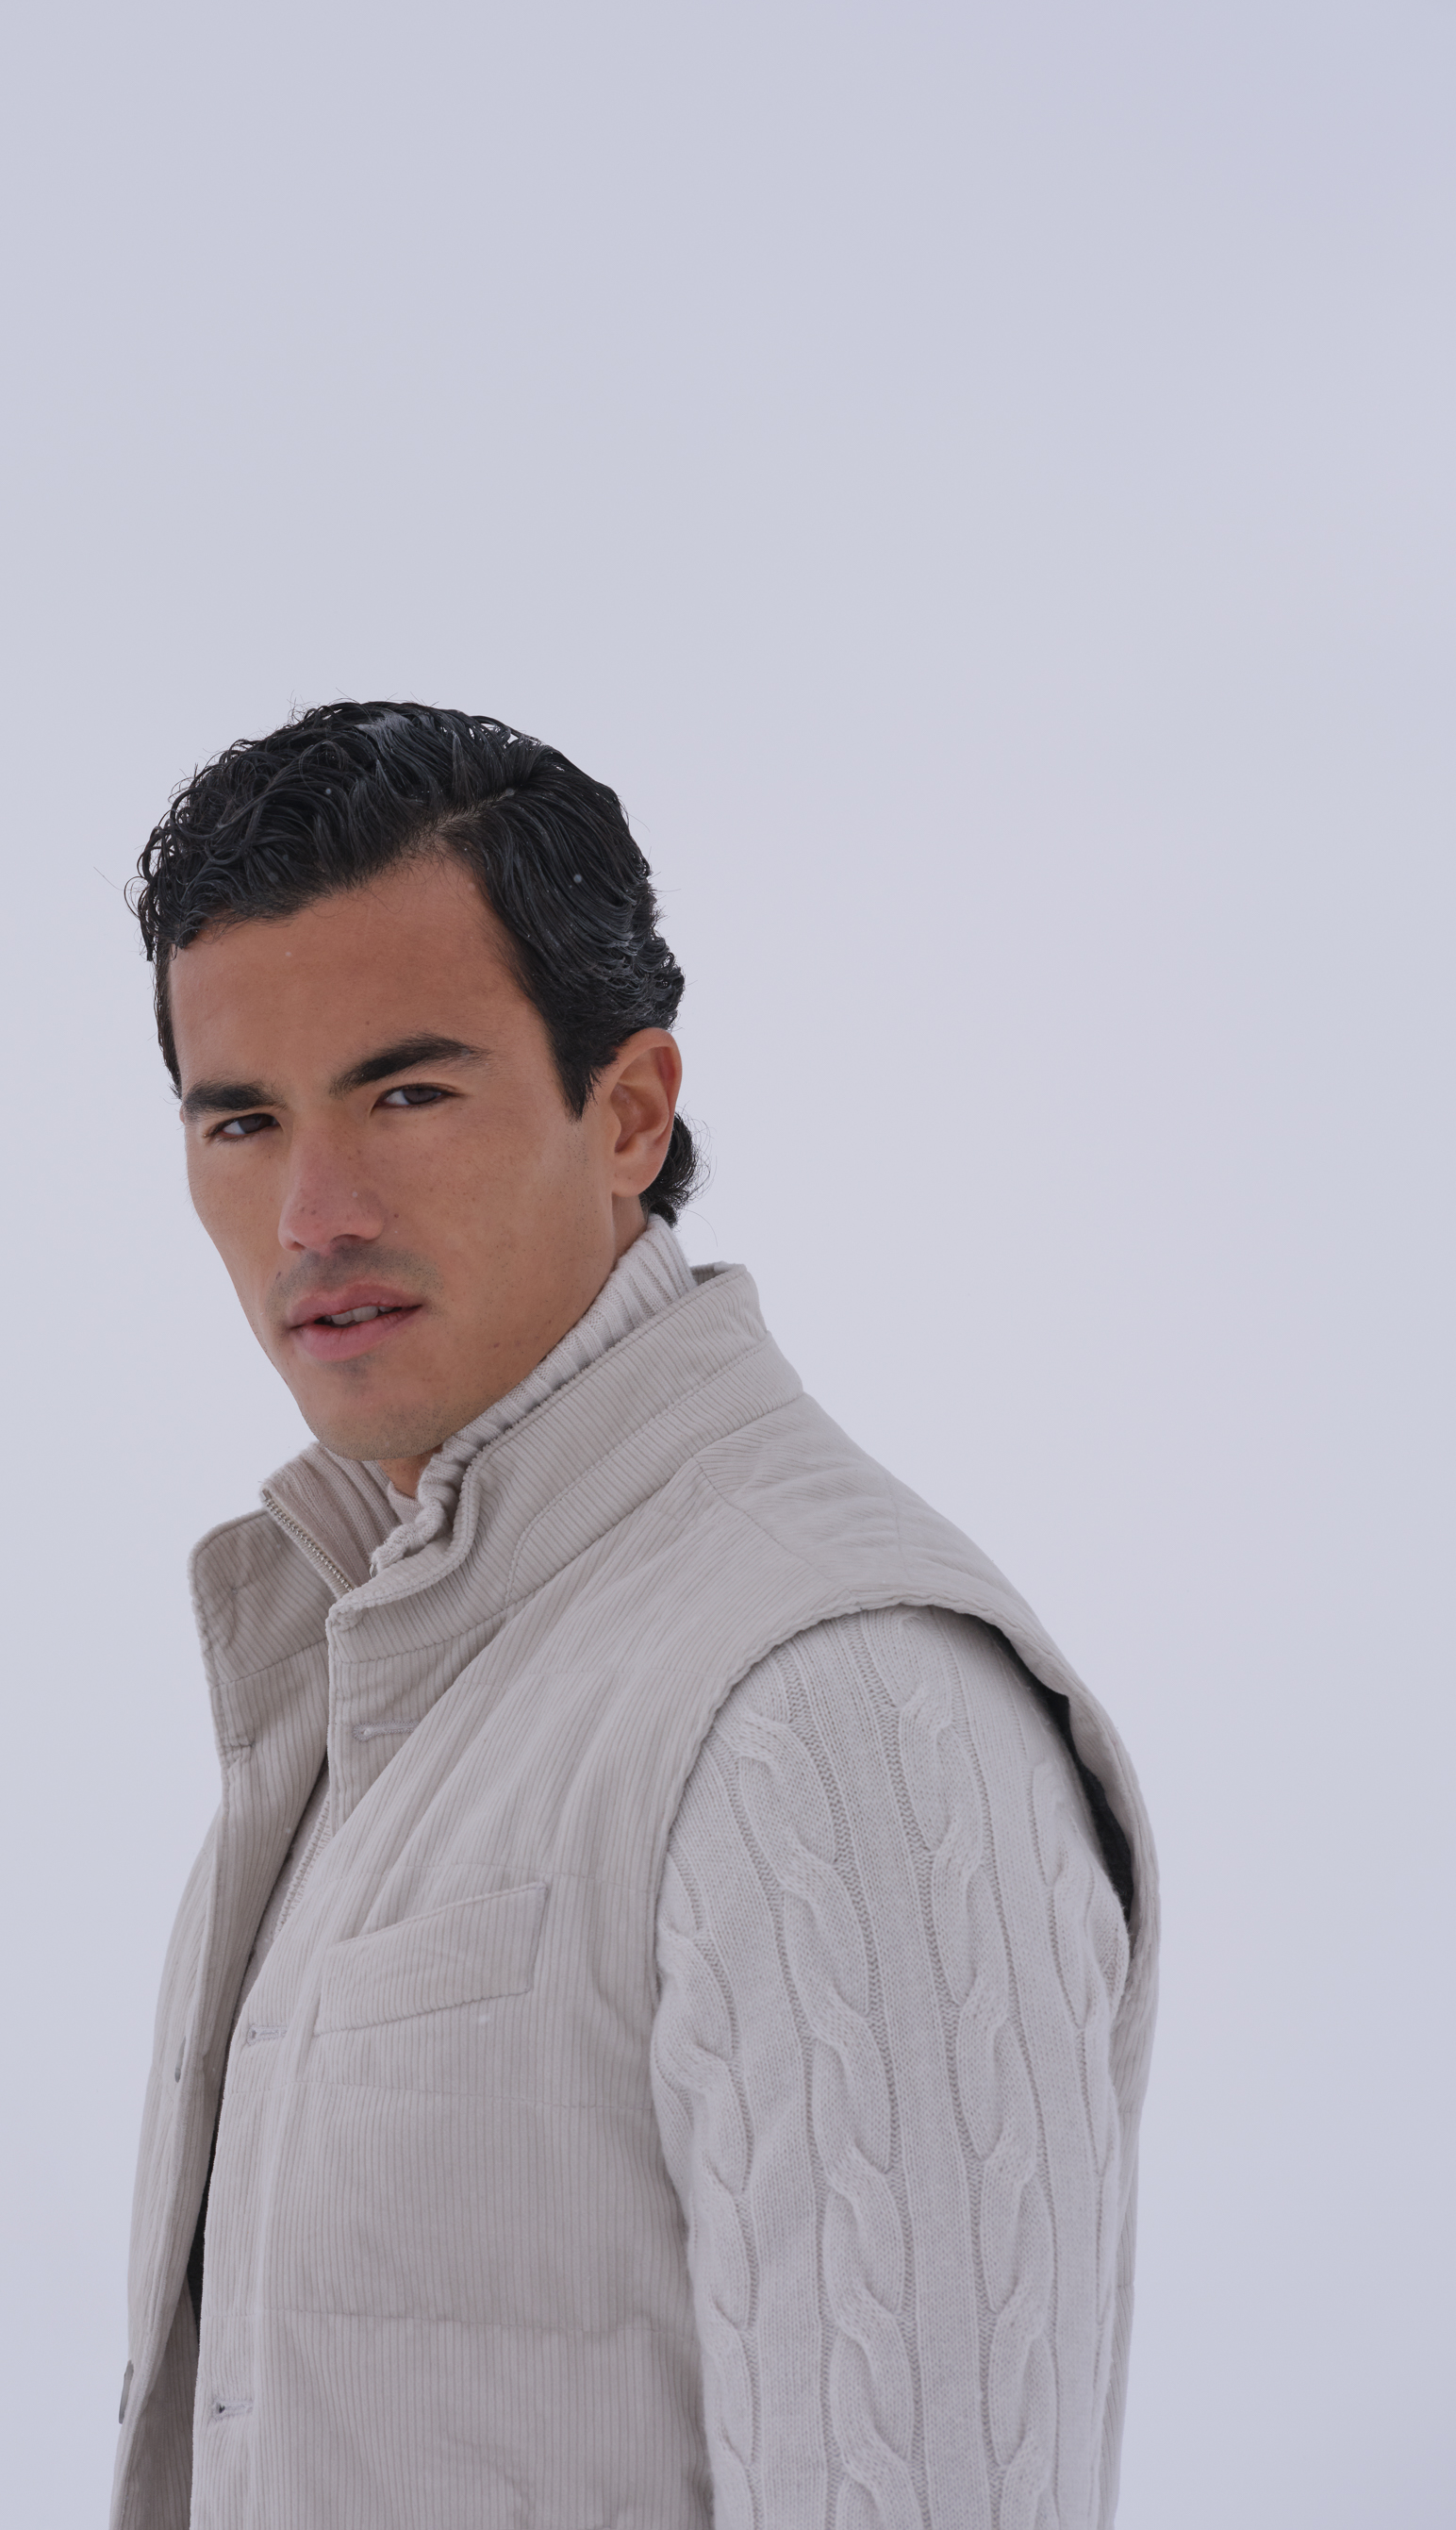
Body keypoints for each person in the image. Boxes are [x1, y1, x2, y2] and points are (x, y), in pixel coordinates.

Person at [109, 702, 1156, 2530]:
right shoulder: (383, 1658)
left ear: (628, 1110)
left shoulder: (832, 1707)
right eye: (243, 1120)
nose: (310, 1212)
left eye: (405, 1093)